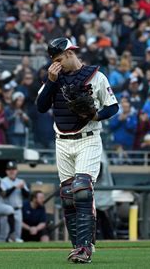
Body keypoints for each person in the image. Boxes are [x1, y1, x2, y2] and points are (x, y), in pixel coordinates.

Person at [36, 37, 119, 263]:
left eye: (59, 58)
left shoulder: (96, 76)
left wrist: (96, 115)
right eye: (54, 60)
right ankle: (77, 247)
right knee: (67, 196)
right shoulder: (53, 77)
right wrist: (51, 81)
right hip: (62, 141)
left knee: (82, 189)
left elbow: (113, 106)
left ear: (71, 53)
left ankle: (85, 248)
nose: (57, 63)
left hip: (88, 138)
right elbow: (41, 107)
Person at [0, 162, 29, 243]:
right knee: (4, 234)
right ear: (6, 171)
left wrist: (22, 187)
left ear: (16, 171)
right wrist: (15, 187)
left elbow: (27, 195)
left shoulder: (20, 181)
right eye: (9, 169)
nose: (11, 171)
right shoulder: (3, 181)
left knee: (17, 237)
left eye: (13, 169)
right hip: (7, 211)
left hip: (17, 210)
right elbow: (4, 194)